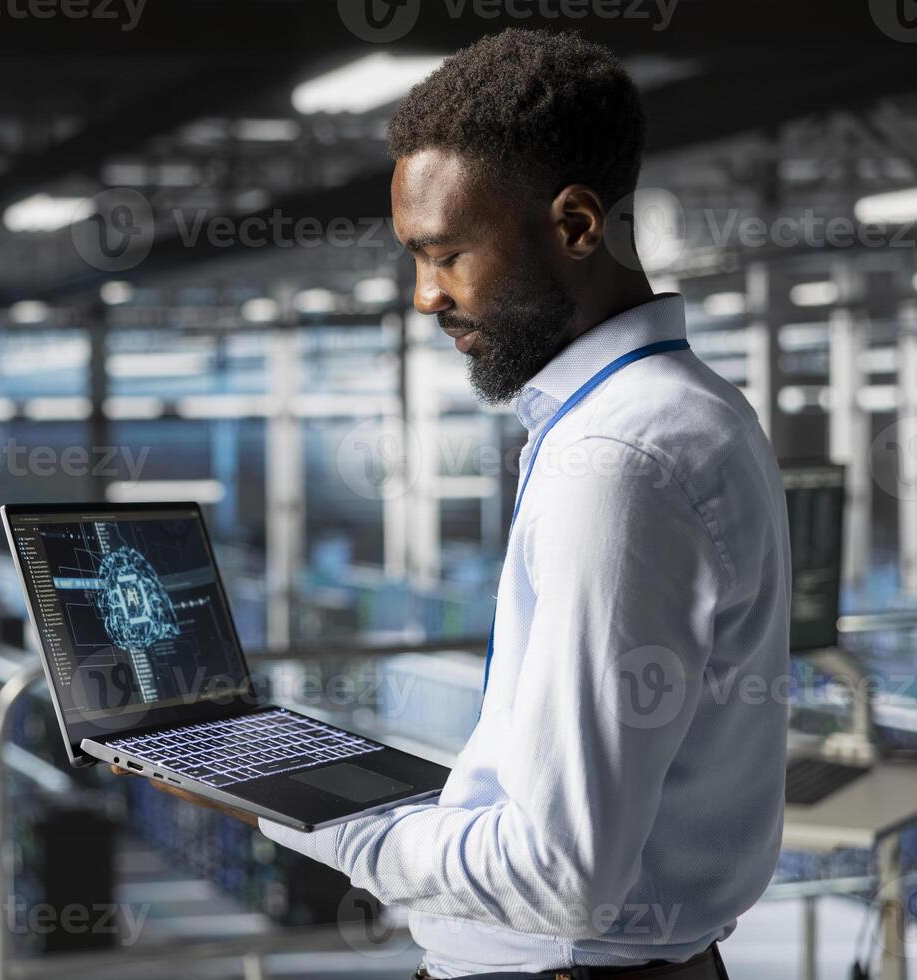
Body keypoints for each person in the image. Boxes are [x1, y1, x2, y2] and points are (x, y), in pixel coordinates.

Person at [114, 28, 790, 980]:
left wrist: (310, 814)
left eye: (447, 255)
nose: (425, 297)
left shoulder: (615, 461)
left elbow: (560, 875)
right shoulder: (693, 409)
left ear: (576, 226)